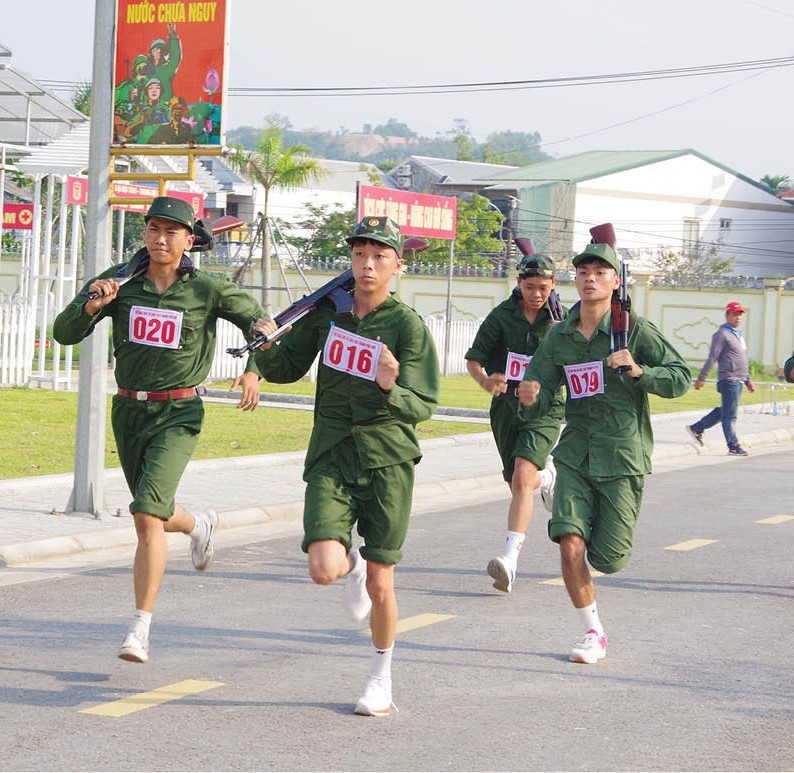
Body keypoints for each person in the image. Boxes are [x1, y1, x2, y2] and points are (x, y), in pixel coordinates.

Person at [53, 197, 266, 665]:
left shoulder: (208, 289)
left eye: (172, 231)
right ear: (145, 234)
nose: (160, 239)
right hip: (129, 411)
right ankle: (200, 525)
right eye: (153, 229)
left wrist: (253, 369)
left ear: (190, 240)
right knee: (152, 510)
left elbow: (262, 324)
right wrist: (92, 306)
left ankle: (139, 629)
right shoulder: (118, 283)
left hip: (180, 412)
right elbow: (63, 333)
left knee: (147, 515)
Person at [246, 216, 440, 716]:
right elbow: (287, 368)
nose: (368, 264)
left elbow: (422, 405)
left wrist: (389, 383)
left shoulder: (407, 326)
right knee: (323, 568)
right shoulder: (327, 313)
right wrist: (266, 343)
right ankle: (348, 567)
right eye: (359, 255)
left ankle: (380, 677)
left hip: (387, 461)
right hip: (332, 454)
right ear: (350, 260)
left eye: (379, 256)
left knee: (382, 581)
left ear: (397, 264)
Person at [517, 242, 690, 664]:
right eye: (583, 272)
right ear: (575, 280)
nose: (590, 278)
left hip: (623, 454)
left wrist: (639, 370)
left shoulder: (635, 331)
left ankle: (562, 501)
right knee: (570, 542)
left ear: (615, 281)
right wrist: (529, 394)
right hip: (575, 452)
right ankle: (593, 632)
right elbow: (538, 387)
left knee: (609, 559)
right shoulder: (559, 335)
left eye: (600, 271)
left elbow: (680, 378)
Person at [464, 253, 564, 594]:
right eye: (530, 287)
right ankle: (548, 476)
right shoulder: (501, 316)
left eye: (543, 287)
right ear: (519, 284)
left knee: (523, 476)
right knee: (518, 483)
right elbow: (475, 360)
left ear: (553, 286)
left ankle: (509, 560)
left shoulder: (560, 320)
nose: (537, 294)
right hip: (506, 408)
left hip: (546, 407)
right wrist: (485, 381)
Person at [686, 301, 755, 456]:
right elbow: (713, 357)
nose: (738, 317)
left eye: (740, 314)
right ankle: (733, 445)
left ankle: (697, 427)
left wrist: (748, 380)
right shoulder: (722, 334)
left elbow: (742, 359)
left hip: (738, 379)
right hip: (729, 379)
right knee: (730, 415)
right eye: (734, 314)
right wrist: (701, 377)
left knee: (725, 411)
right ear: (727, 315)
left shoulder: (737, 335)